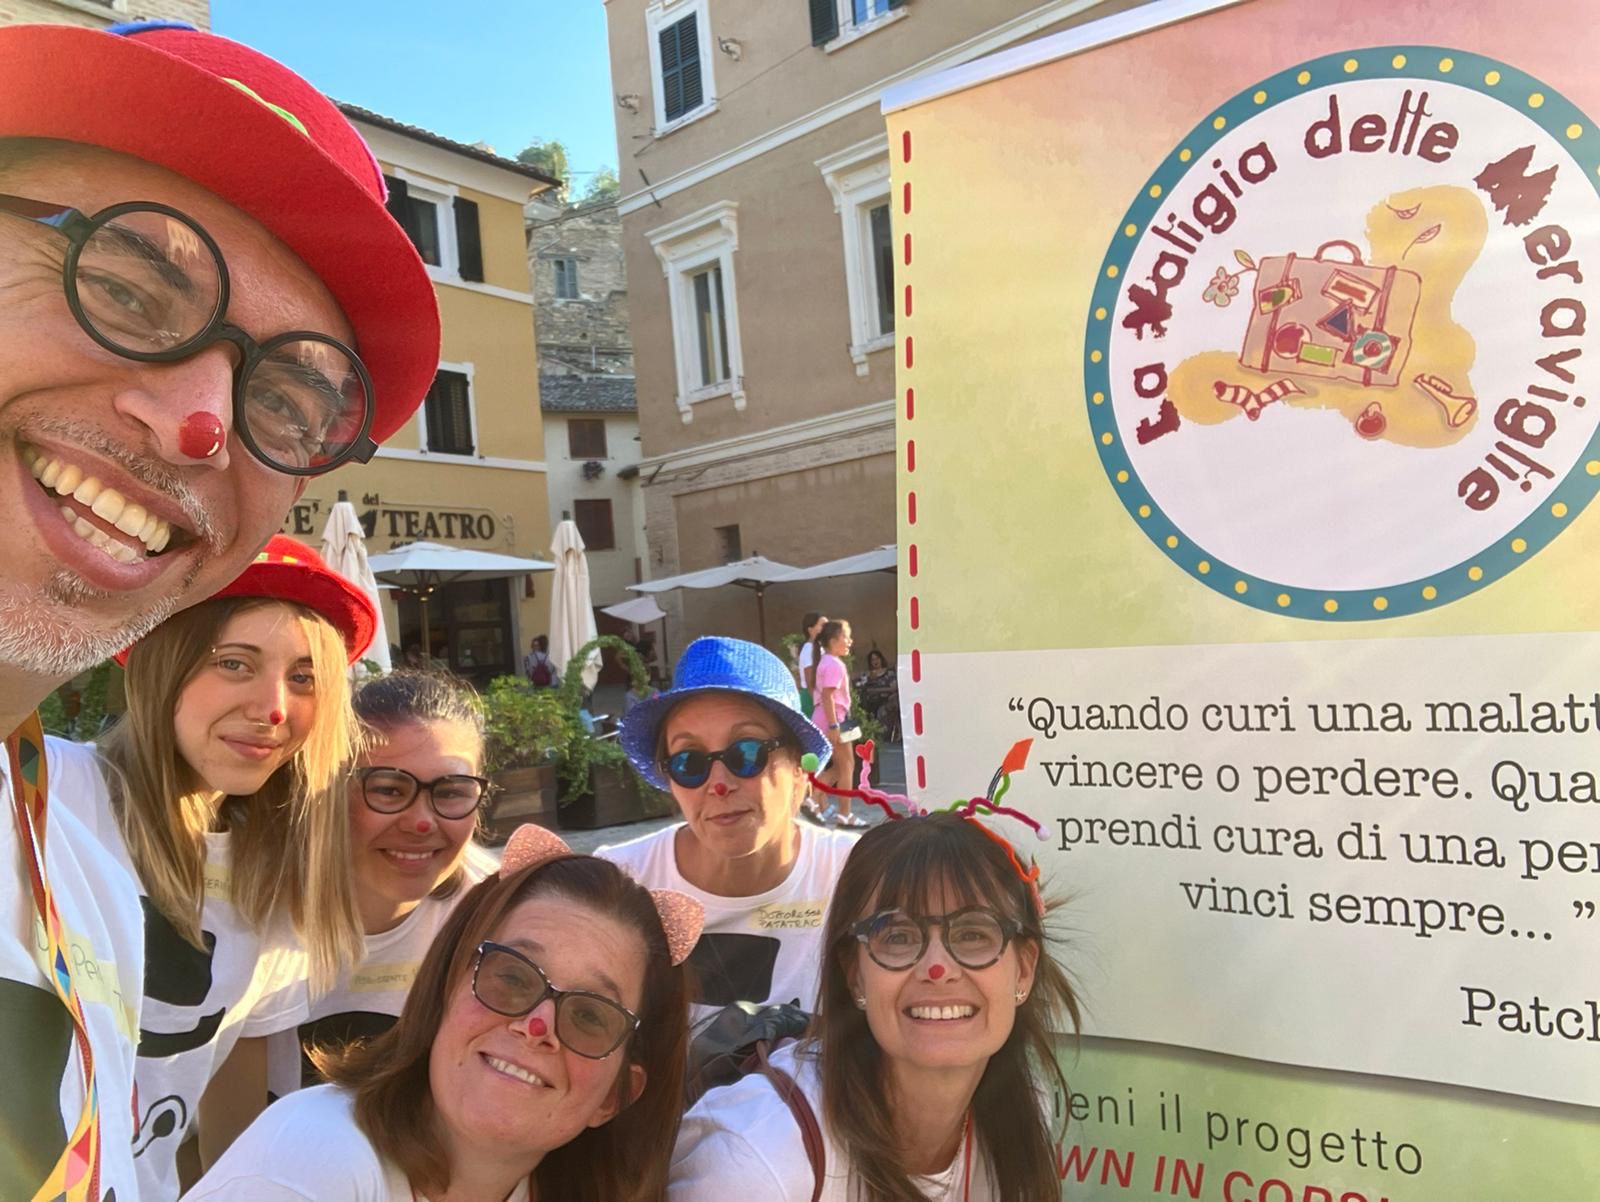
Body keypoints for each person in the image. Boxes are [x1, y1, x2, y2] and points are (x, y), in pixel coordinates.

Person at [0, 20, 438, 1197]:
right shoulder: (88, 819)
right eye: (125, 286)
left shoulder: (64, 869)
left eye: (286, 398)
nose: (200, 423)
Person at [54, 535, 371, 1199]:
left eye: (304, 677)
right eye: (234, 663)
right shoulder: (49, 794)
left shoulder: (275, 880)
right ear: (162, 665)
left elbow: (227, 1104)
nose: (274, 708)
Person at [188, 825, 704, 1202]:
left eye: (590, 1016)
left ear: (616, 1096)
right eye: (512, 977)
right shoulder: (312, 1160)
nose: (537, 1026)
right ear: (441, 991)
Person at [671, 810, 1080, 1202]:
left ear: (1024, 971)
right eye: (898, 936)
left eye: (973, 934)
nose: (938, 969)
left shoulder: (1023, 1109)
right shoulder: (753, 1164)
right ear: (855, 976)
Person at [261, 669, 500, 1099]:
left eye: (451, 791)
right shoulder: (257, 903)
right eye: (389, 789)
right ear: (330, 790)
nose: (422, 822)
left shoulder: (500, 915)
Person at [606, 637, 858, 1027]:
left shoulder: (856, 875)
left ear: (798, 767)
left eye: (746, 753)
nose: (719, 784)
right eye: (689, 762)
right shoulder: (619, 885)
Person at [811, 620, 864, 827]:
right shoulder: (834, 664)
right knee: (847, 767)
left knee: (842, 767)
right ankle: (844, 814)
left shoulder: (827, 662)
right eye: (846, 637)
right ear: (833, 641)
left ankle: (812, 797)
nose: (850, 641)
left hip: (838, 718)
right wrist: (833, 726)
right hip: (835, 720)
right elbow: (827, 696)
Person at [856, 649, 901, 745]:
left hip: (886, 700)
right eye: (872, 660)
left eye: (877, 658)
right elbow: (862, 687)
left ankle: (883, 735)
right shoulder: (868, 675)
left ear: (881, 659)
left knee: (883, 710)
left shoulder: (889, 672)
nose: (875, 661)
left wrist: (877, 690)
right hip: (871, 702)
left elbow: (893, 688)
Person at [794, 612, 826, 720]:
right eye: (822, 625)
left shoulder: (820, 648)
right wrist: (819, 705)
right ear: (810, 630)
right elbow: (810, 683)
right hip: (811, 699)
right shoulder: (808, 649)